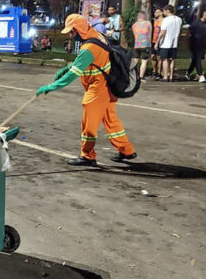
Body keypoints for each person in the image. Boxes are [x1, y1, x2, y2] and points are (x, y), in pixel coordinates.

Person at [36, 14, 135, 166]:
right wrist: (68, 67)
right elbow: (86, 62)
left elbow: (73, 74)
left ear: (79, 29)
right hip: (109, 86)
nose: (70, 35)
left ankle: (88, 156)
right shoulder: (96, 35)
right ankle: (126, 150)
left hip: (97, 89)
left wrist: (51, 86)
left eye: (72, 31)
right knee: (110, 120)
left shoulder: (88, 48)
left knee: (89, 124)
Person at [156, 5, 182, 82]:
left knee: (164, 59)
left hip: (165, 43)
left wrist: (157, 42)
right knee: (172, 60)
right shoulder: (179, 19)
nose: (163, 12)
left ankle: (165, 76)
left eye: (164, 11)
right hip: (174, 43)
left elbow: (163, 32)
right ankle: (171, 76)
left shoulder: (166, 20)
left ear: (168, 11)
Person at [187, 10, 206, 83]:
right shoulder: (195, 23)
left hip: (203, 44)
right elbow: (190, 33)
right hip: (195, 44)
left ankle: (188, 73)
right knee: (198, 59)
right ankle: (200, 74)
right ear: (204, 15)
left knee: (195, 60)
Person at [131, 11, 152, 79]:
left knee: (135, 61)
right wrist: (150, 43)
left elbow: (135, 36)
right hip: (145, 44)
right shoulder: (148, 23)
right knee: (144, 61)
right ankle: (141, 76)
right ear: (144, 16)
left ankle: (133, 75)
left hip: (137, 45)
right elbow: (149, 34)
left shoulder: (134, 25)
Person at [151, 8, 163, 78]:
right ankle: (154, 71)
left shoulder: (164, 21)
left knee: (159, 57)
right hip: (153, 40)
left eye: (157, 12)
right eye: (155, 12)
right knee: (153, 56)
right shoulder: (154, 21)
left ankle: (159, 72)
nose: (155, 13)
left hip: (160, 41)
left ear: (161, 13)